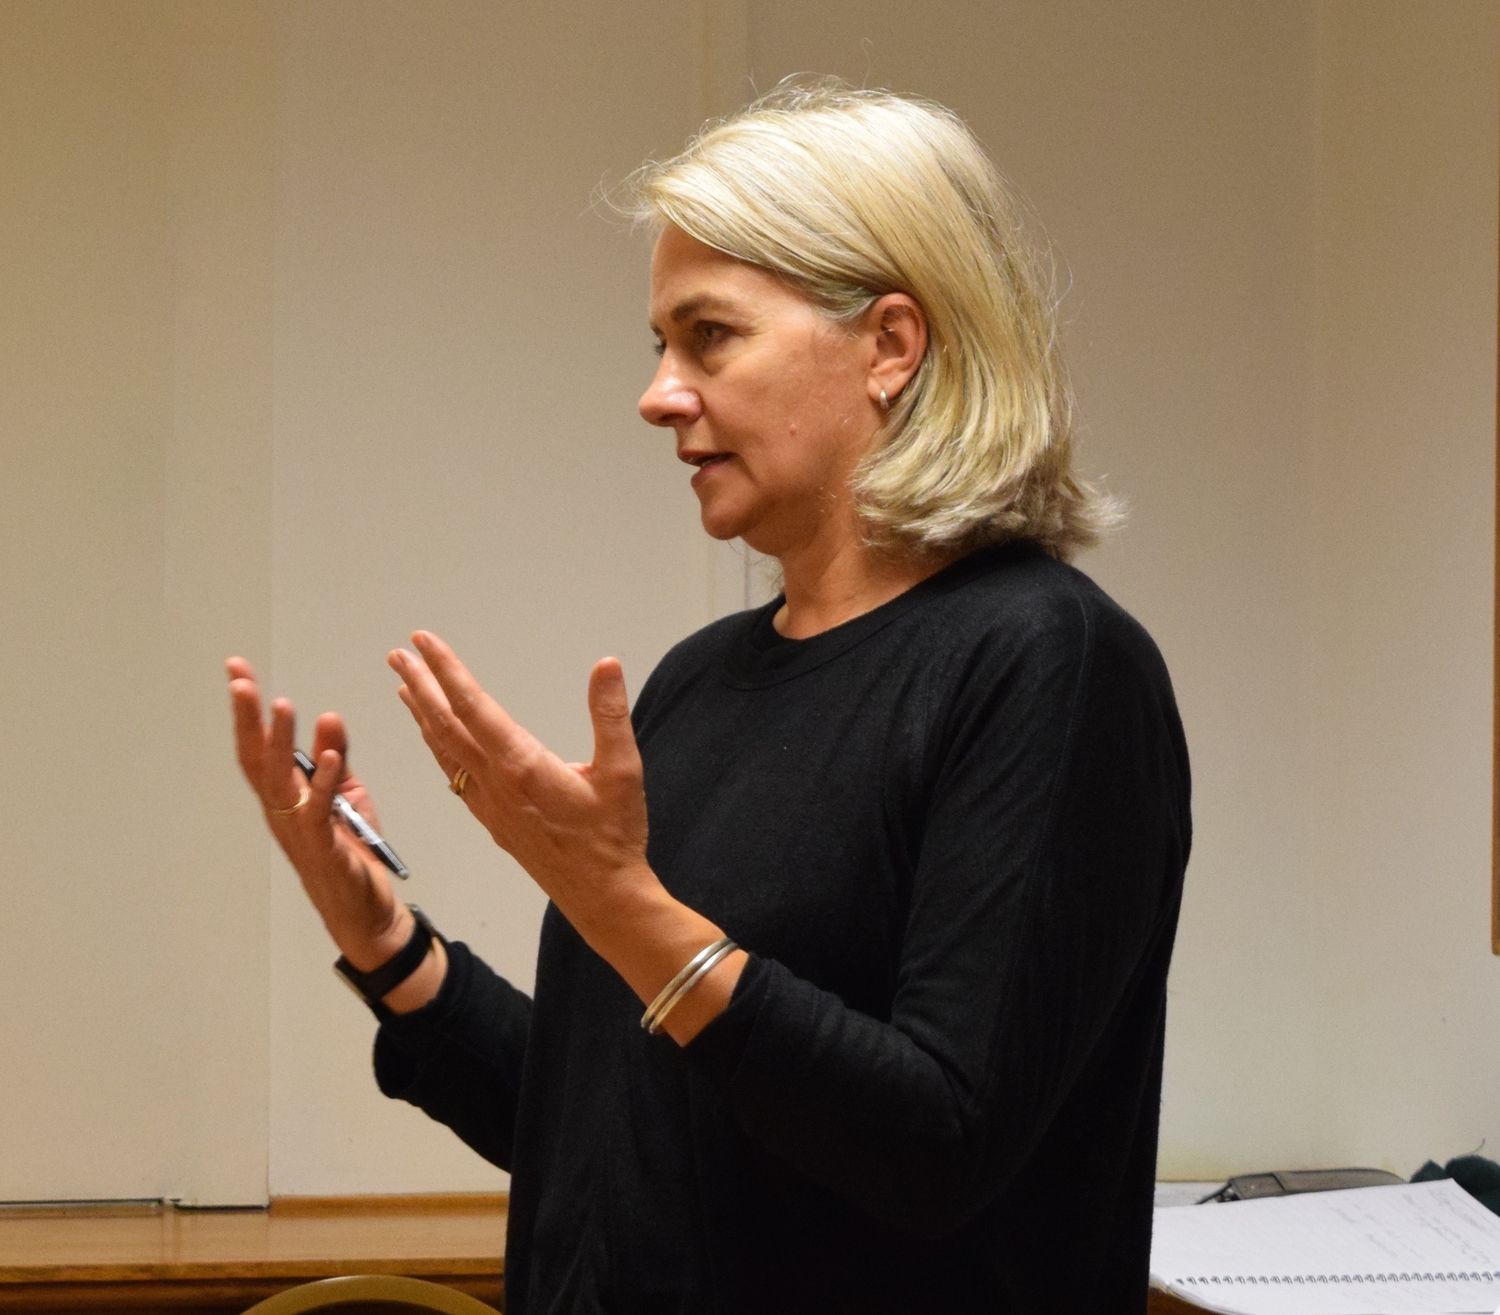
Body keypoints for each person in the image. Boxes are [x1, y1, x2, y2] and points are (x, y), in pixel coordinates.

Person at [228, 79, 1190, 1314]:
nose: (660, 394)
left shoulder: (1050, 664)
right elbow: (610, 1135)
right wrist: (386, 944)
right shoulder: (701, 679)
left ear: (891, 346)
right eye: (660, 346)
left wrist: (619, 903)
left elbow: (937, 1144)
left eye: (710, 336)